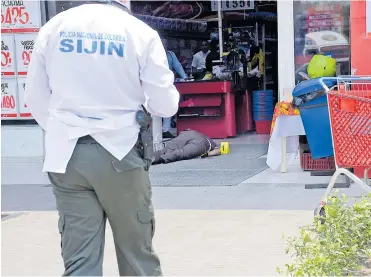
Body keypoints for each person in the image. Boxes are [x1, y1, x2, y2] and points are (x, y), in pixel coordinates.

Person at [24, 0, 179, 275]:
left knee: (80, 261)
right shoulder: (139, 32)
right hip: (120, 153)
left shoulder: (54, 27)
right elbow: (165, 105)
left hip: (67, 158)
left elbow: (35, 98)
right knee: (136, 258)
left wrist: (65, 128)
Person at [162, 39, 187, 138]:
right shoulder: (153, 53)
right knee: (154, 107)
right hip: (155, 83)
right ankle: (152, 130)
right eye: (163, 44)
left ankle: (166, 130)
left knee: (168, 105)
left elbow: (178, 66)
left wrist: (185, 77)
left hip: (168, 83)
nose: (165, 46)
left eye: (166, 44)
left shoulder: (170, 54)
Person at [153, 130, 220, 164]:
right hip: (201, 144)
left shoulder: (201, 135)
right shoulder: (211, 144)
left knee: (168, 148)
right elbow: (218, 151)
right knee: (181, 153)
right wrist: (206, 154)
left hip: (189, 133)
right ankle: (157, 160)